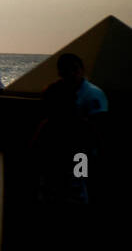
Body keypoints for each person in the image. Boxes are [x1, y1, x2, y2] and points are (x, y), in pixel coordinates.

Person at [30, 53, 107, 206]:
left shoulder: (93, 94)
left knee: (77, 186)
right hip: (58, 150)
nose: (71, 74)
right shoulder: (54, 91)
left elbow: (98, 126)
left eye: (74, 69)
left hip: (81, 151)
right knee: (56, 187)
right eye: (66, 71)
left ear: (82, 70)